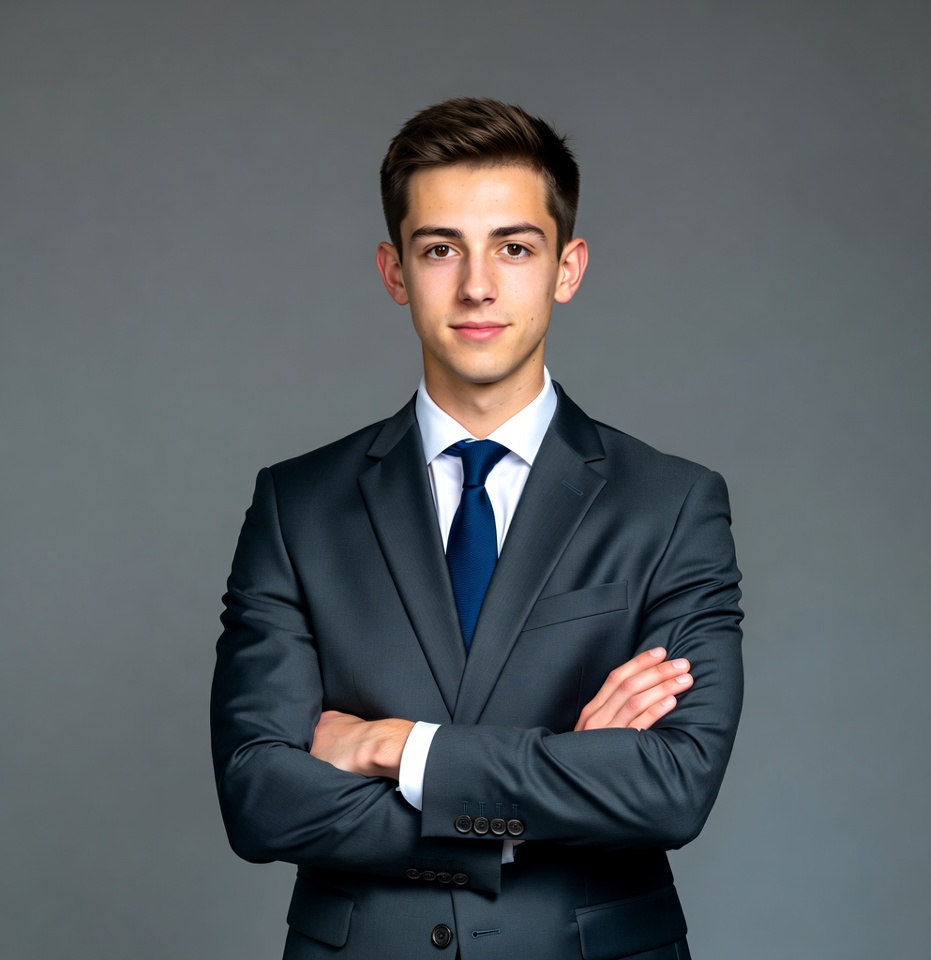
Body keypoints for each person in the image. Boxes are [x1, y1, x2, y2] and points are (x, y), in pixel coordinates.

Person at [211, 97, 743, 960]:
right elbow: (259, 796)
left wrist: (397, 747)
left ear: (567, 268)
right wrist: (558, 782)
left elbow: (671, 789)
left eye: (514, 246)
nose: (477, 286)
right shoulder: (295, 505)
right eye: (439, 249)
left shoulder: (672, 505)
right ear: (394, 271)